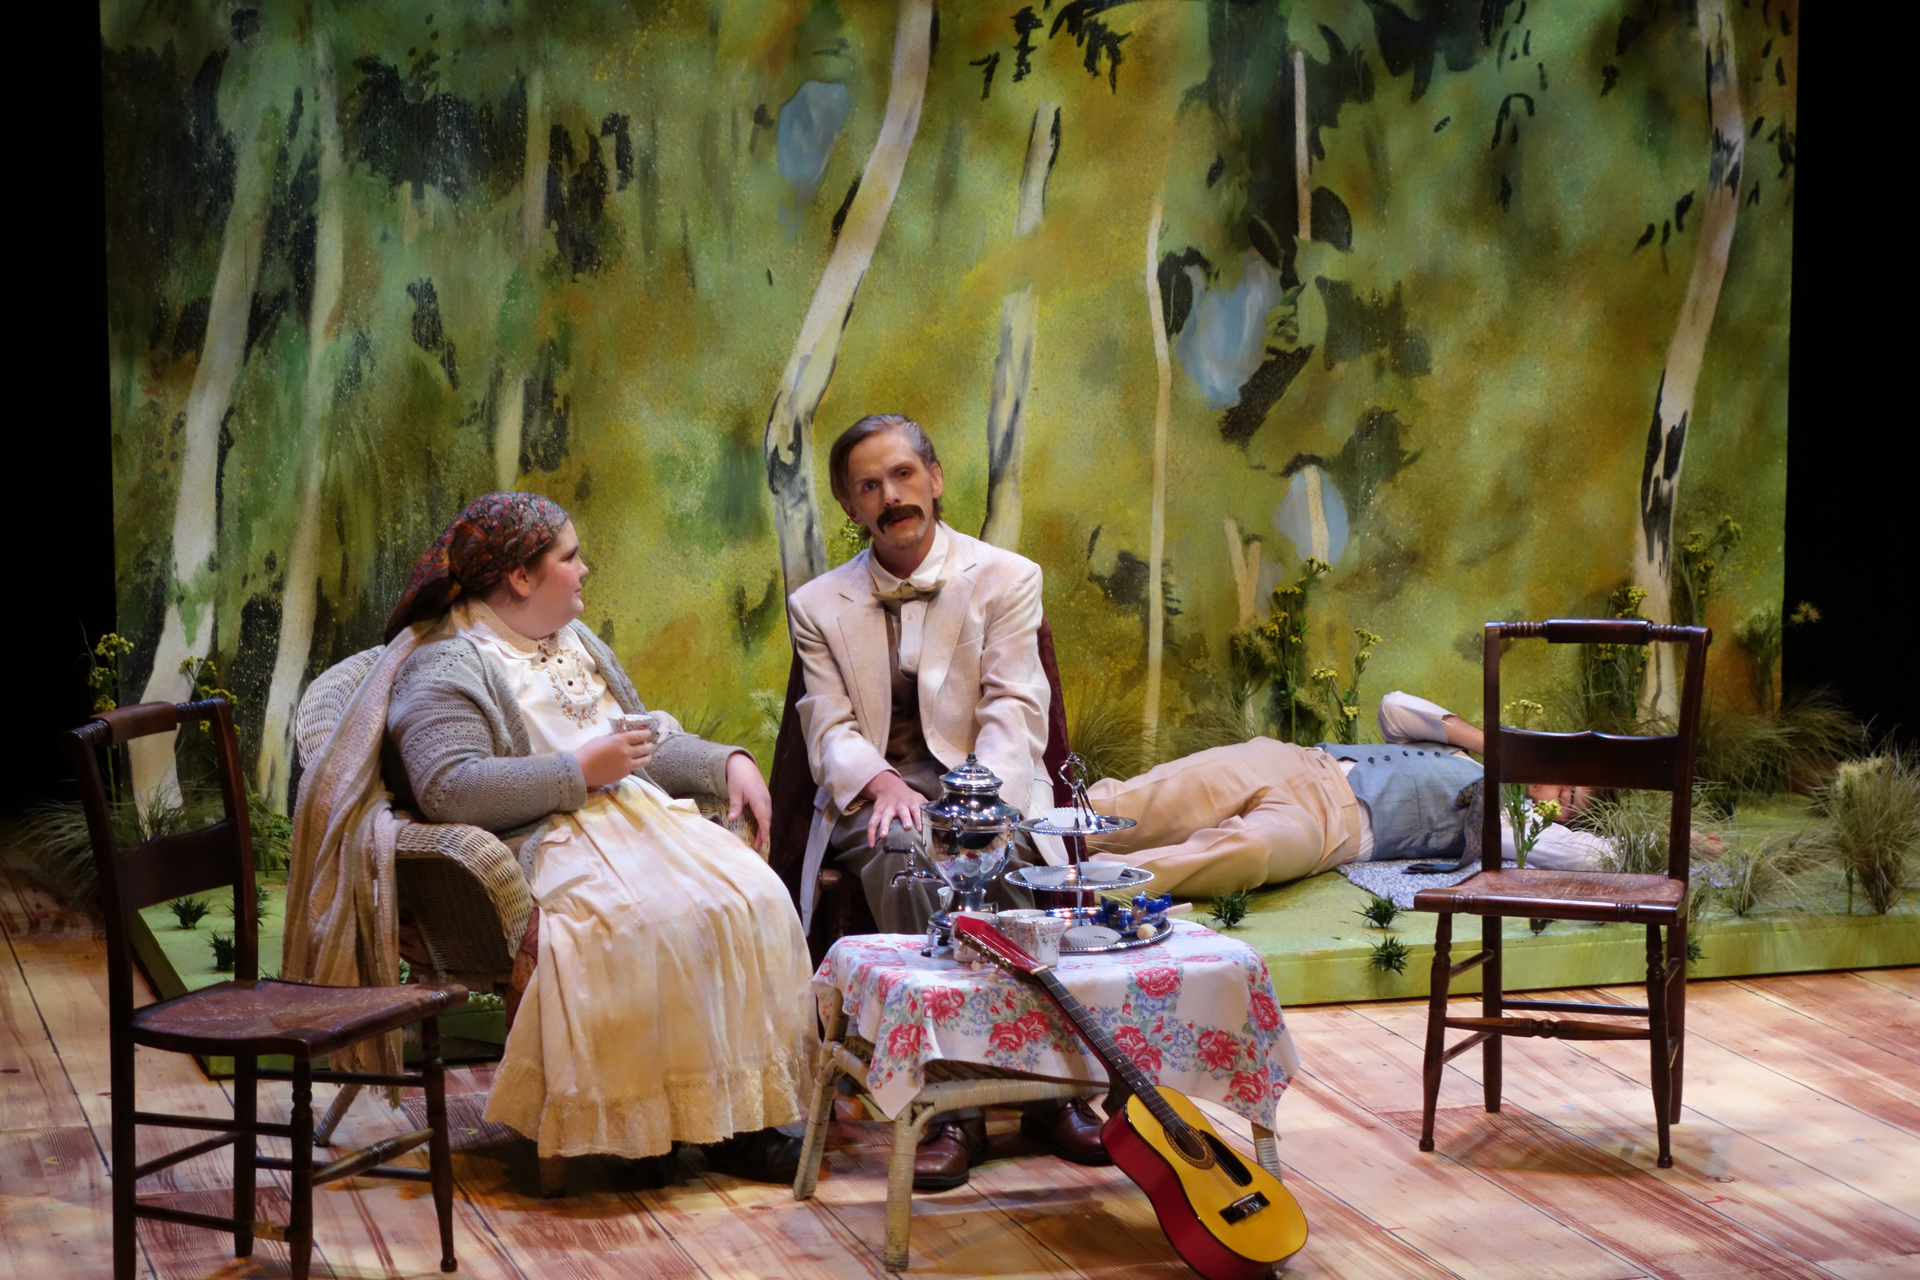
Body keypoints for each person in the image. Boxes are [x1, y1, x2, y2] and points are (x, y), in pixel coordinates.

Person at [303, 491, 814, 1183]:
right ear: (521, 575)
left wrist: (726, 762)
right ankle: (636, 1129)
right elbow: (449, 787)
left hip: (635, 823)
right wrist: (578, 771)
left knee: (750, 896)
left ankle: (733, 1123)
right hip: (540, 842)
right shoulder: (449, 662)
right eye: (569, 557)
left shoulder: (572, 639)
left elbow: (635, 743)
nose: (584, 569)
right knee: (633, 923)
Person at [786, 413, 1100, 1187]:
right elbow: (826, 726)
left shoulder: (1007, 577)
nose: (890, 496)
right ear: (851, 507)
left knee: (1022, 870)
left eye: (901, 475)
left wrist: (982, 810)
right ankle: (950, 1101)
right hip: (879, 792)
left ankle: (1051, 1092)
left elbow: (1014, 709)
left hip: (985, 781)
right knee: (908, 866)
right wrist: (883, 782)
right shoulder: (818, 605)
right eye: (868, 486)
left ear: (934, 478)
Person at [1082, 691, 1614, 897]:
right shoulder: (1465, 755)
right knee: (1127, 806)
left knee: (1248, 852)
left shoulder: (1512, 825)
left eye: (1570, 801)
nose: (1559, 793)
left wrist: (1684, 841)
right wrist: (1500, 747)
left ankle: (1078, 889)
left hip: (1327, 829)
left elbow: (1597, 855)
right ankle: (1015, 837)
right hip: (1292, 760)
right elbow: (1395, 706)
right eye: (1564, 778)